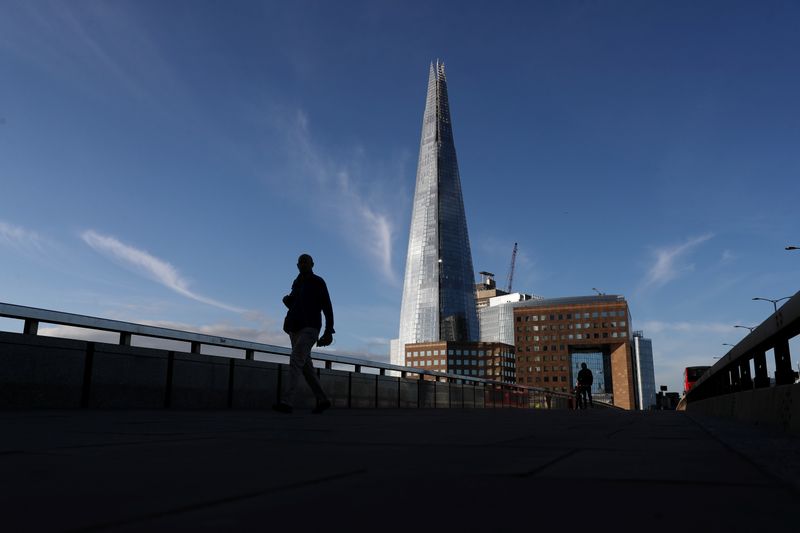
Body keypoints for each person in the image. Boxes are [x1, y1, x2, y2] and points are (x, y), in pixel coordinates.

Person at [272, 254, 334, 414]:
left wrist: (328, 330)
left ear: (312, 264)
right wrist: (287, 301)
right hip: (294, 327)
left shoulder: (318, 281)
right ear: (297, 265)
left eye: (306, 261)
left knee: (295, 359)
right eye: (300, 261)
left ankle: (287, 402)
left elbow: (327, 306)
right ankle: (323, 399)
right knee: (306, 367)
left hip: (311, 327)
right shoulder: (297, 282)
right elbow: (295, 304)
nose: (303, 264)